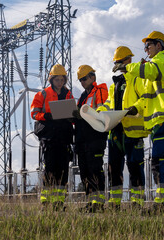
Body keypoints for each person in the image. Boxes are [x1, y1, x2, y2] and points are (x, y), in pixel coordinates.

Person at [113, 31, 164, 213]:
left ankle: (163, 204)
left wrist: (129, 67)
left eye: (148, 45)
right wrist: (136, 107)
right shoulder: (159, 63)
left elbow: (151, 71)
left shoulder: (163, 60)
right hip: (162, 119)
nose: (146, 49)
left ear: (159, 45)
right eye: (145, 46)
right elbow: (147, 97)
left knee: (161, 160)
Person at [97, 46, 149, 210]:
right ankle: (114, 202)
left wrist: (135, 108)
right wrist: (100, 111)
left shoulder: (138, 79)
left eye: (120, 62)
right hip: (116, 131)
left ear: (128, 61)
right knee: (114, 167)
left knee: (135, 166)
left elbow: (145, 99)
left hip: (133, 131)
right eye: (117, 63)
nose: (119, 66)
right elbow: (108, 104)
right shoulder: (115, 84)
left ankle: (137, 202)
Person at [31, 64, 74, 211]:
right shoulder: (42, 94)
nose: (60, 83)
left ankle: (59, 202)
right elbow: (34, 114)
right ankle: (45, 201)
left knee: (62, 170)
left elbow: (73, 115)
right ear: (51, 80)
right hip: (49, 137)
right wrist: (46, 116)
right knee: (49, 169)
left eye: (62, 80)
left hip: (63, 138)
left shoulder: (68, 94)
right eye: (57, 80)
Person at [73, 65, 108, 213]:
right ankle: (90, 201)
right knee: (85, 171)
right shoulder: (82, 96)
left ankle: (98, 203)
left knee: (95, 169)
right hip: (82, 138)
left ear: (93, 77)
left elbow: (102, 112)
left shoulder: (100, 91)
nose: (82, 82)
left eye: (85, 78)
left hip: (95, 137)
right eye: (80, 80)